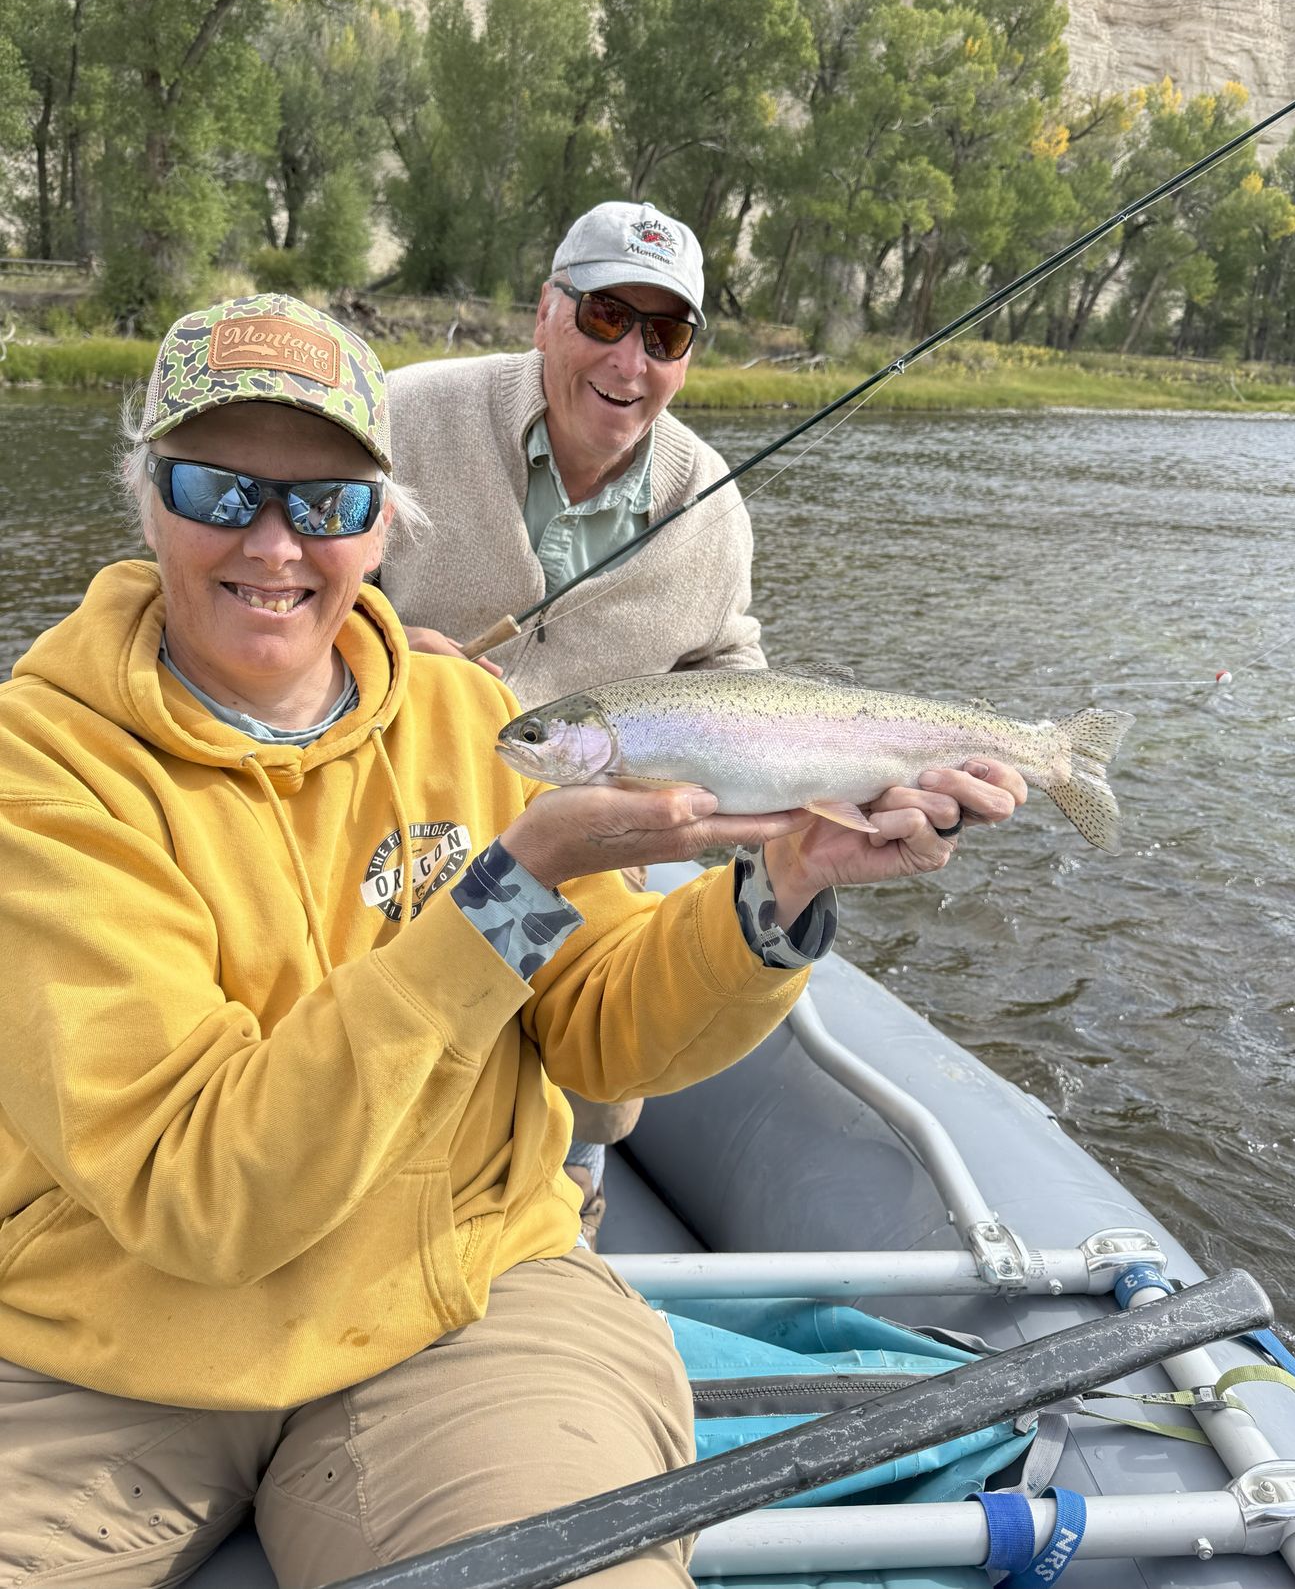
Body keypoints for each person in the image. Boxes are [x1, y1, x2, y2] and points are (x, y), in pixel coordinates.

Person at [0, 292, 1025, 1589]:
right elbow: (203, 1190)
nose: (273, 543)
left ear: (380, 525)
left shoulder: (465, 722)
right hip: (106, 1343)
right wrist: (503, 892)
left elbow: (604, 1026)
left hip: (457, 1304)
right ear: (148, 498)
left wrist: (777, 887)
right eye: (218, 489)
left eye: (322, 503)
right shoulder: (40, 771)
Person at [379, 201, 766, 1232]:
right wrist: (378, 645)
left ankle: (574, 1180)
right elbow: (285, 577)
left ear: (685, 354)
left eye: (665, 333)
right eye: (605, 316)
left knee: (600, 1066)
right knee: (401, 1020)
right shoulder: (403, 415)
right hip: (388, 809)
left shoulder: (710, 502)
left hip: (599, 836)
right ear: (546, 313)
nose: (630, 359)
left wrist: (746, 787)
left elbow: (726, 659)